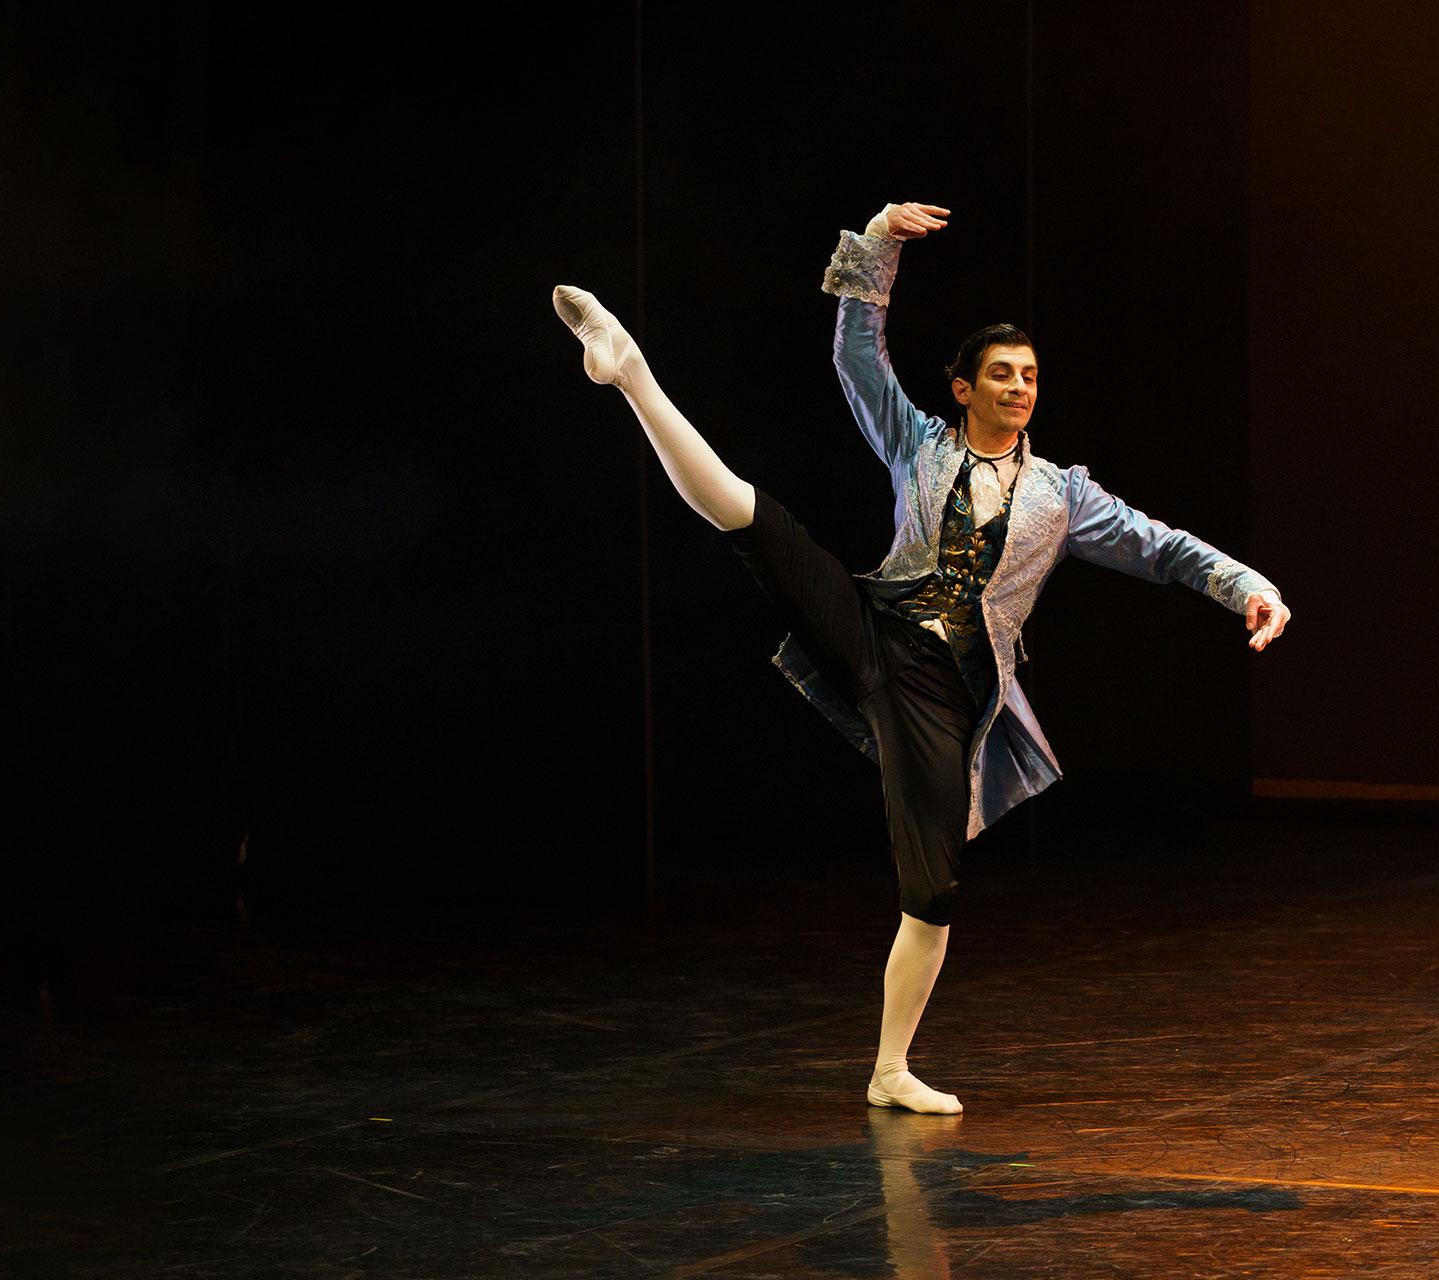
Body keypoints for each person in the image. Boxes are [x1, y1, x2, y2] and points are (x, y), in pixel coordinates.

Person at [552, 200, 1290, 1115]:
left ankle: (889, 1068)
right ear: (964, 389)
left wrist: (1246, 583)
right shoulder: (919, 443)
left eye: (1029, 376)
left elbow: (1163, 545)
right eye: (1002, 375)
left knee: (933, 885)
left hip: (947, 689)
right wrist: (876, 244)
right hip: (877, 628)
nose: (1020, 389)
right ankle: (629, 371)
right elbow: (857, 360)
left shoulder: (1065, 498)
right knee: (757, 522)